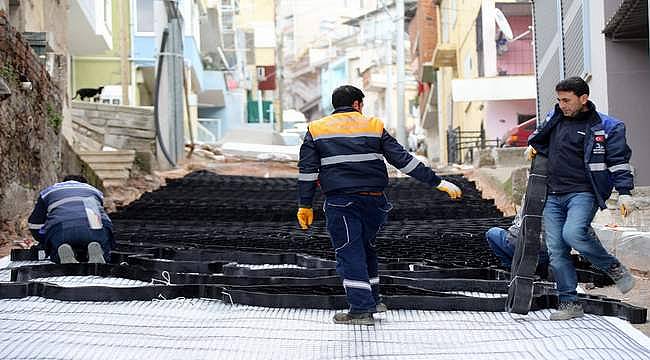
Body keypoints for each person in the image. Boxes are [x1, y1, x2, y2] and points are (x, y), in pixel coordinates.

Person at [296, 85, 462, 325]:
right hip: (374, 201)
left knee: (349, 251)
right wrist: (438, 182)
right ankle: (373, 300)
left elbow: (308, 172)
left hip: (341, 202)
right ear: (356, 104)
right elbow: (402, 160)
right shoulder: (373, 125)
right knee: (365, 248)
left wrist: (305, 204)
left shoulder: (316, 129)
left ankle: (361, 309)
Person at [527, 76, 636, 321]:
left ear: (583, 98)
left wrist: (625, 193)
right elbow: (539, 137)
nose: (561, 104)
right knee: (557, 250)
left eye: (566, 100)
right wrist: (533, 145)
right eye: (559, 99)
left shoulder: (607, 127)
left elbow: (619, 162)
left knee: (574, 233)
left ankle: (612, 268)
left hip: (583, 192)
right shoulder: (554, 119)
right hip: (552, 195)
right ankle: (569, 303)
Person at [27, 175, 114, 264]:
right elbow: (99, 218)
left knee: (56, 247)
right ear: (84, 184)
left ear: (63, 183)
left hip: (61, 230)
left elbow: (34, 224)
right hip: (93, 230)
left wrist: (44, 241)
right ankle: (98, 249)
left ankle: (61, 250)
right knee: (100, 238)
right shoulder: (93, 191)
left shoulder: (49, 192)